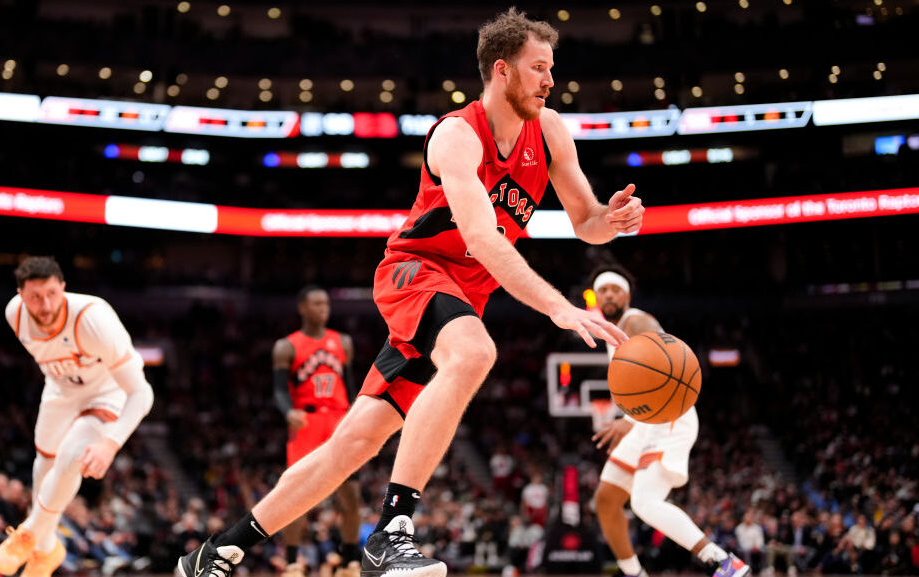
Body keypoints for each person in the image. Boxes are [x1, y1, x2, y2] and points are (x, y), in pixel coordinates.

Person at [177, 8, 639, 577]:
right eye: (538, 68)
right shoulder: (457, 136)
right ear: (502, 70)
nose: (550, 80)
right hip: (415, 272)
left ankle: (218, 549)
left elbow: (585, 221)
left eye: (552, 68)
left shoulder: (551, 132)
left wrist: (611, 220)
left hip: (461, 295)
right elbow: (483, 241)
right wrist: (560, 307)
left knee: (355, 443)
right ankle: (392, 531)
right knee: (474, 352)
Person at [0, 256, 154, 577]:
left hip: (106, 391)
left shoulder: (93, 320)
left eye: (52, 293)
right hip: (60, 390)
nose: (45, 304)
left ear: (63, 288)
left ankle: (30, 533)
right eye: (35, 296)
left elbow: (142, 392)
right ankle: (46, 551)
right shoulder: (14, 314)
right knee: (44, 467)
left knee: (72, 457)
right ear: (21, 295)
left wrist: (110, 442)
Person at [589, 264, 750, 577]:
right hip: (645, 419)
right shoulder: (611, 329)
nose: (609, 295)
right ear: (595, 298)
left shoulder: (637, 320)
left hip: (668, 414)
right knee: (606, 499)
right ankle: (632, 572)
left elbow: (670, 369)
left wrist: (630, 419)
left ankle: (726, 564)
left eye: (615, 290)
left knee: (644, 501)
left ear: (627, 295)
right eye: (603, 290)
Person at [272, 286, 362, 577]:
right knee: (297, 494)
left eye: (326, 303)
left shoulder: (343, 342)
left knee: (351, 494)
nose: (323, 308)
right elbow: (278, 390)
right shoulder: (286, 346)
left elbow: (349, 386)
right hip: (307, 422)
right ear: (302, 307)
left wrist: (357, 416)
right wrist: (288, 412)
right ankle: (292, 561)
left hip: (339, 420)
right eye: (316, 303)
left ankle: (349, 561)